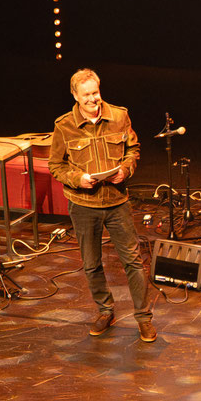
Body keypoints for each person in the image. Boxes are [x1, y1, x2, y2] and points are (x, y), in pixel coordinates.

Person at [48, 68, 155, 341]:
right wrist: (77, 178)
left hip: (117, 201)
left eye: (95, 92)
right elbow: (55, 165)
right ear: (75, 95)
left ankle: (143, 318)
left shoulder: (119, 116)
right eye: (86, 95)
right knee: (91, 263)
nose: (93, 99)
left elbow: (133, 148)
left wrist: (127, 169)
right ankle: (105, 310)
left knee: (133, 261)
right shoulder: (64, 125)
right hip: (83, 204)